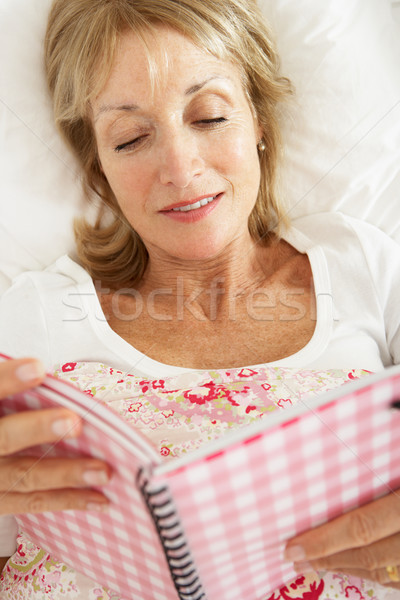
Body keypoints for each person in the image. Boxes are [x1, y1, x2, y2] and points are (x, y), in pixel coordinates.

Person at [0, 0, 400, 597]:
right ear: (97, 166)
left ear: (259, 120)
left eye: (210, 118)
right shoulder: (32, 320)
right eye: (132, 138)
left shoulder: (363, 264)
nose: (181, 170)